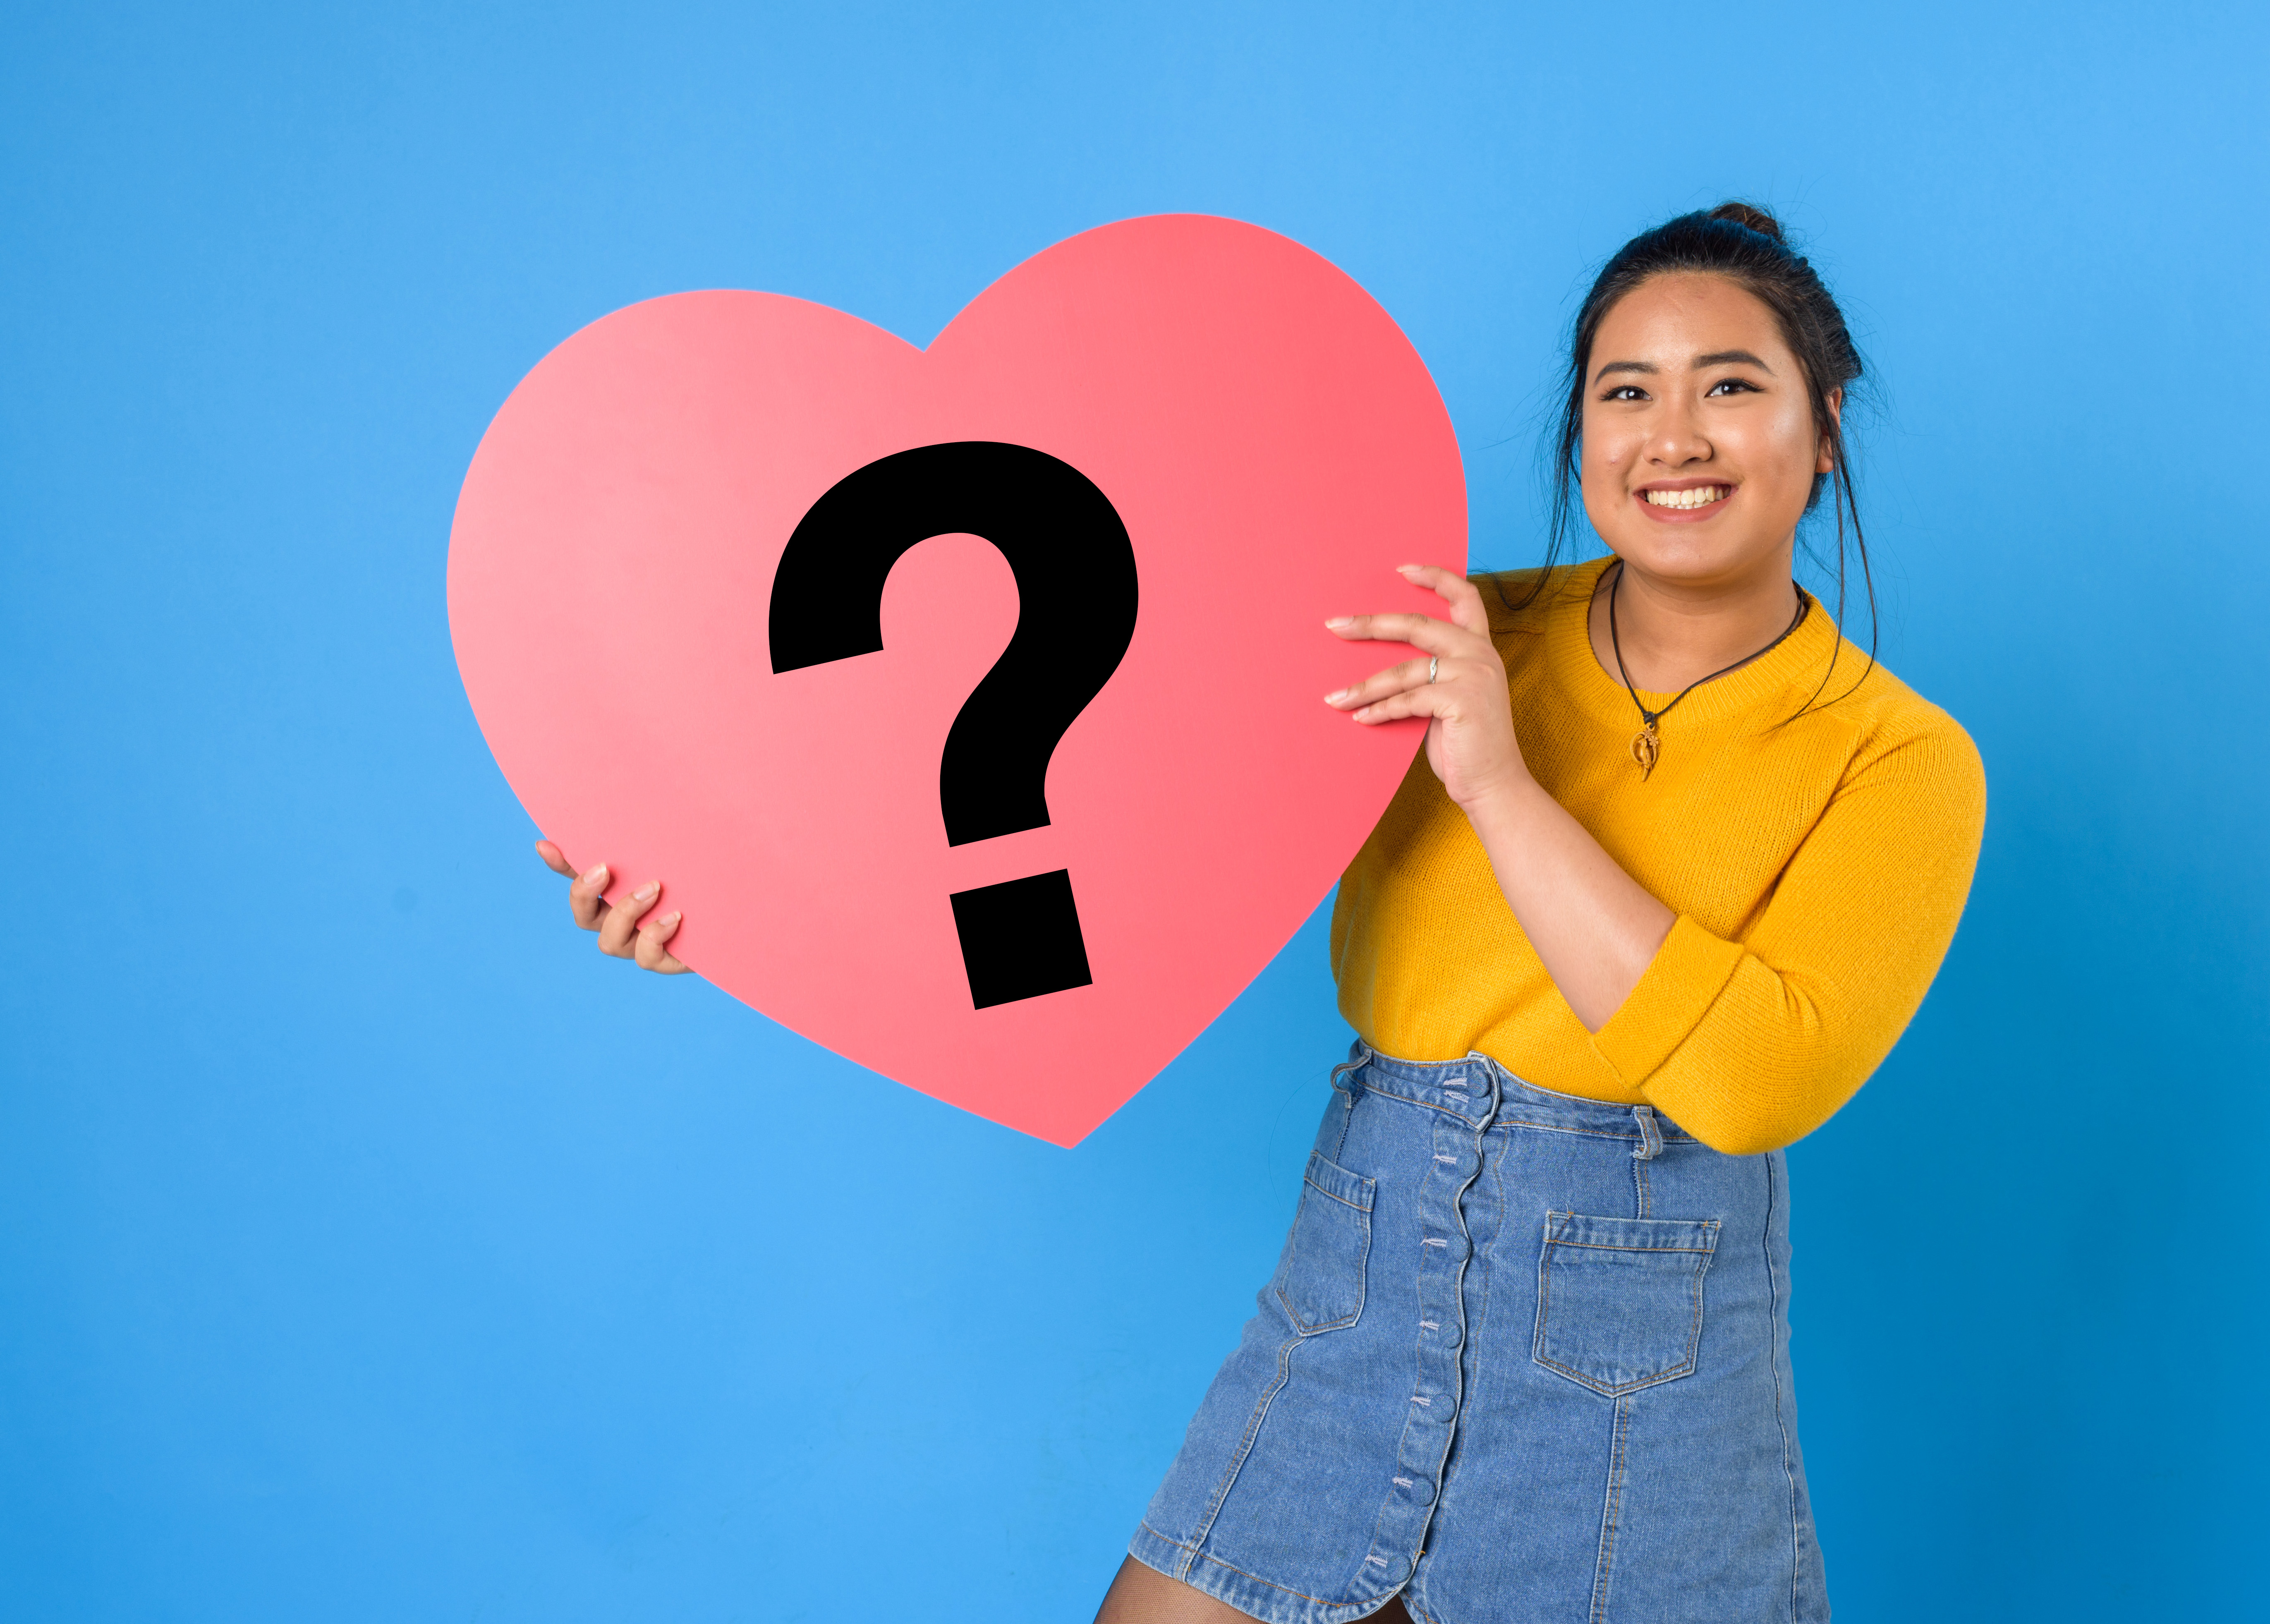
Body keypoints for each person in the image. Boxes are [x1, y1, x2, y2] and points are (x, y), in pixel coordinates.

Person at [537, 202, 1985, 1624]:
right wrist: (732, 889)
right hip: (1364, 1261)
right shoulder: (1436, 628)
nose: (1673, 437)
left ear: (1827, 420)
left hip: (1639, 1346)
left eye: (1731, 387)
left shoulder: (1897, 760)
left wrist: (1503, 786)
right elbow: (1085, 768)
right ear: (1584, 432)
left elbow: (1751, 1083)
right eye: (1627, 392)